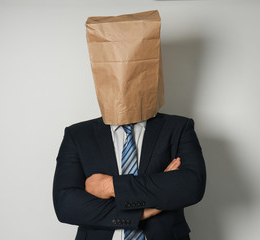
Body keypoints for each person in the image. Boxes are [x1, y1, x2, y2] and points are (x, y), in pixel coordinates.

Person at [52, 10, 206, 240]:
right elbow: (66, 205)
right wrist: (148, 209)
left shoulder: (178, 128)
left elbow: (191, 186)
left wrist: (111, 186)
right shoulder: (78, 135)